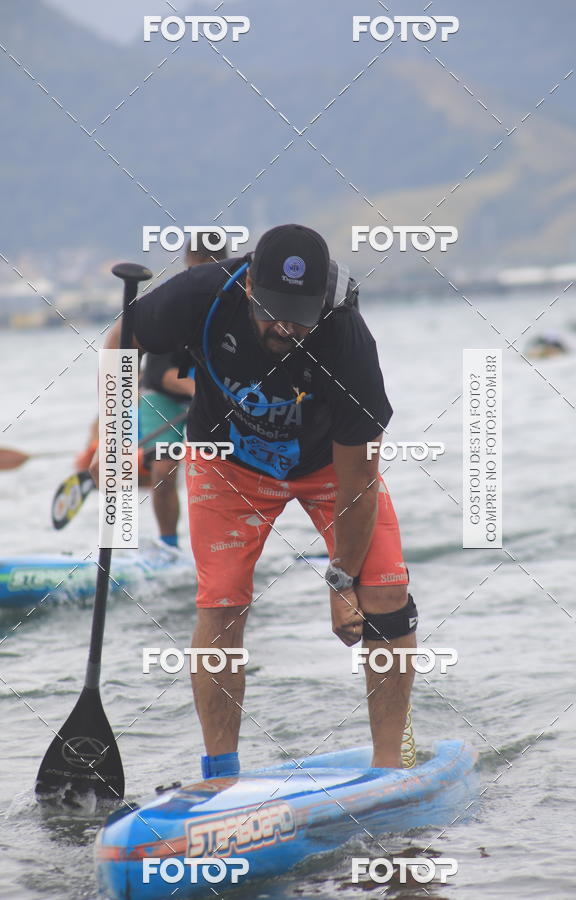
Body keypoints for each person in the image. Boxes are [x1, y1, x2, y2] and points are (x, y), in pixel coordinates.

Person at [92, 224, 416, 776]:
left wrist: (341, 580)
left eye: (299, 313)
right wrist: (118, 439)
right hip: (228, 463)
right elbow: (119, 343)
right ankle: (221, 775)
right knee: (220, 607)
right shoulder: (201, 291)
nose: (284, 325)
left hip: (328, 471)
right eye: (271, 309)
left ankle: (391, 771)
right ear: (247, 287)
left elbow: (358, 481)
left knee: (388, 597)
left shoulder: (347, 339)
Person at [138, 236, 227, 547]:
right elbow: (162, 375)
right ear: (192, 263)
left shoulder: (231, 301)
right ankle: (169, 546)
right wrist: (203, 392)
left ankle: (222, 544)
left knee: (226, 473)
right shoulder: (178, 299)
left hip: (204, 400)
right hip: (160, 396)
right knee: (163, 471)